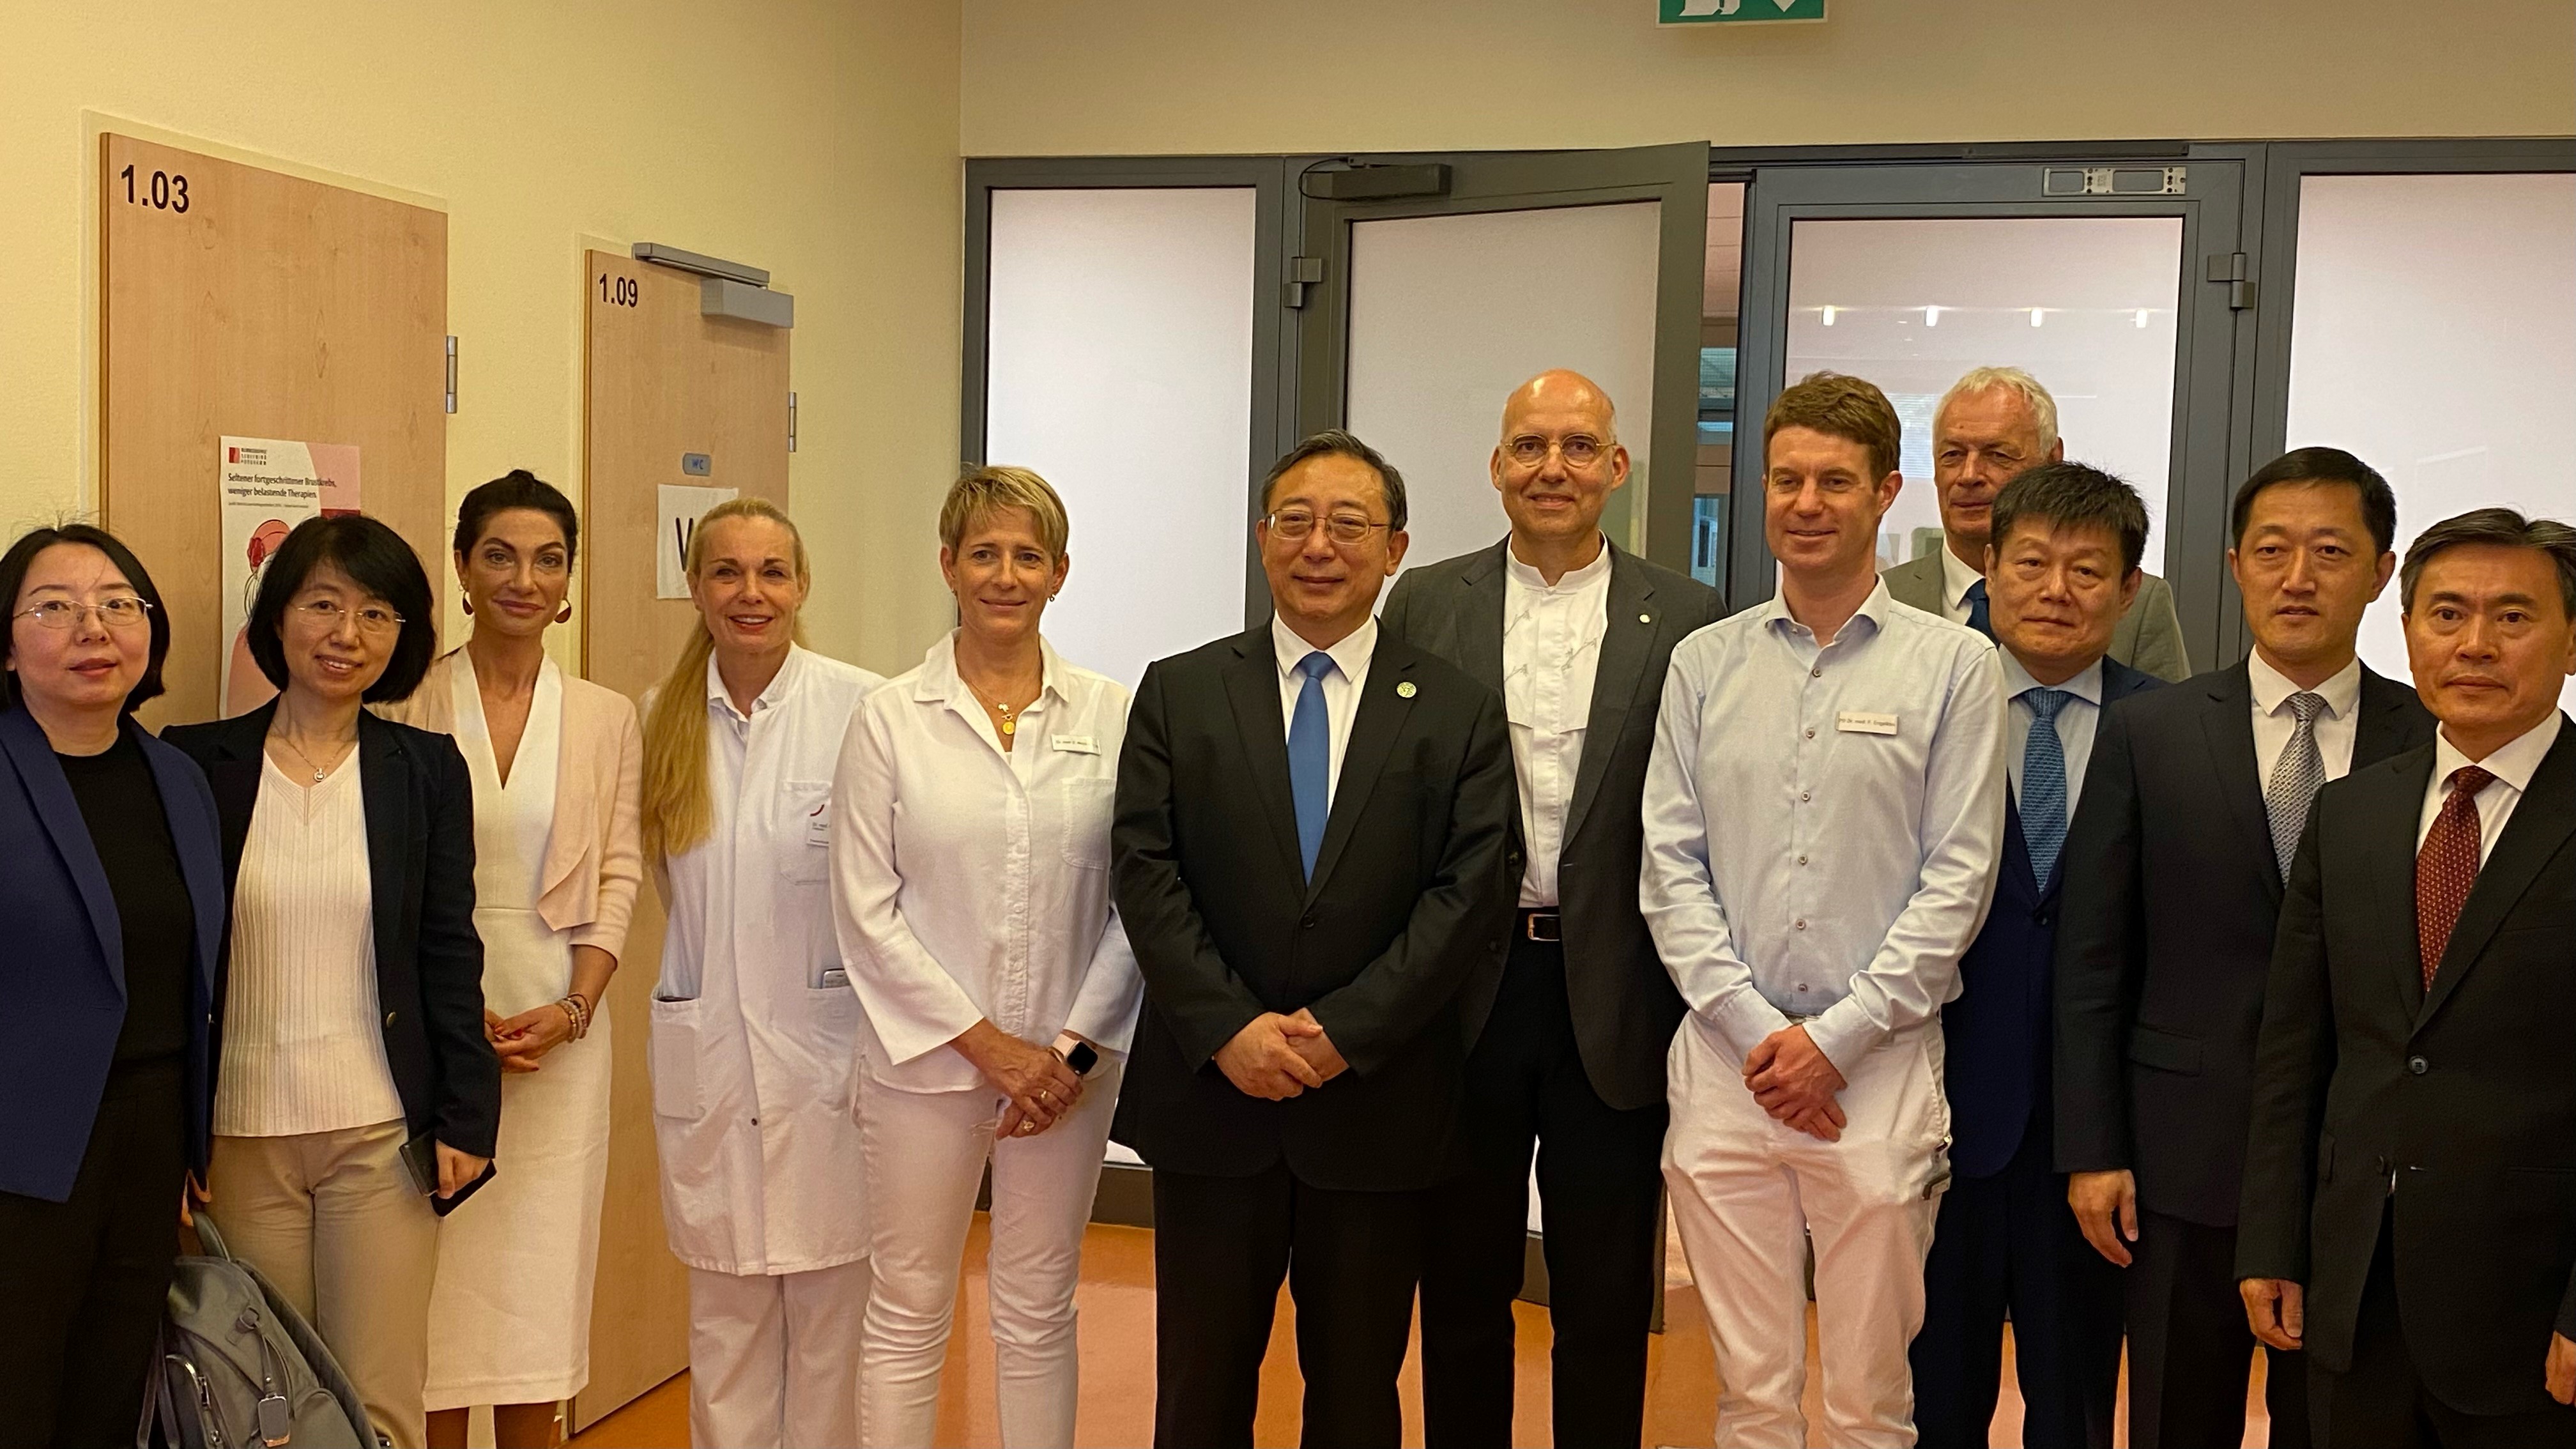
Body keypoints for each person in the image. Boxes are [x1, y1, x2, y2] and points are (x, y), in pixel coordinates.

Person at [1111, 429, 1518, 1448]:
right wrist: (1230, 1027)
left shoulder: (1460, 711)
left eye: (1350, 524)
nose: (1319, 546)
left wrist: (1347, 1031)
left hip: (1376, 1105)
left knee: (1356, 1392)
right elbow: (1146, 874)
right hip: (1215, 1101)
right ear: (1262, 539)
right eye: (1295, 521)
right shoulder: (1180, 689)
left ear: (1397, 550)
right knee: (1201, 1388)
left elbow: (1467, 895)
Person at [1644, 370, 2005, 1448]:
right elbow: (1669, 862)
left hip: (1879, 1067)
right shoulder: (1702, 663)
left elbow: (1959, 878)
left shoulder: (1956, 664)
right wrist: (1763, 1035)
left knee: (1867, 1400)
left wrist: (1833, 1040)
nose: (1806, 501)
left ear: (1887, 491)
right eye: (1787, 478)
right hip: (1726, 1063)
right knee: (1749, 1395)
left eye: (1835, 481)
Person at [2055, 447, 2434, 1449]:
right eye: (2271, 550)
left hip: (2358, 1162)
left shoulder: (2430, 737)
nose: (2297, 577)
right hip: (2180, 1153)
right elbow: (2094, 956)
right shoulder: (2151, 731)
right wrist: (2093, 1147)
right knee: (2179, 1412)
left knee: (2337, 1421)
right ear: (2234, 565)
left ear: (2381, 572)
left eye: (2328, 551)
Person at [1381, 369, 1722, 1449]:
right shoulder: (1427, 601)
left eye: (1578, 448)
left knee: (1605, 1290)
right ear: (1494, 469)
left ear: (1616, 469)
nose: (1552, 468)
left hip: (1613, 989)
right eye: (1528, 446)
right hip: (1463, 987)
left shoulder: (1690, 615)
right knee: (1464, 1281)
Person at [2238, 507, 2576, 1446]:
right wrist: (2271, 1240)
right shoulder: (2350, 815)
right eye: (2447, 614)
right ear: (2408, 630)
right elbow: (2295, 1052)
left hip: (2532, 1307)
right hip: (2352, 1290)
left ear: (2573, 640)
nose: (2474, 643)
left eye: (2513, 618)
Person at [164, 514, 498, 1449]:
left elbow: (447, 947)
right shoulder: (194, 764)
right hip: (237, 1141)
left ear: (403, 639)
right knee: (260, 1405)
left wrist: (468, 1119)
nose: (346, 633)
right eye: (323, 604)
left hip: (379, 1137)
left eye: (377, 612)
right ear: (278, 620)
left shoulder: (424, 771)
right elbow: (168, 962)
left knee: (379, 1405)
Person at [832, 466, 1140, 1448]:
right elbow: (865, 910)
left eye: (1028, 556)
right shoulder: (890, 717)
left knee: (1040, 1306)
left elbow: (1141, 904)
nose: (1005, 575)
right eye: (984, 554)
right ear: (948, 566)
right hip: (924, 1065)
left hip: (1069, 1071)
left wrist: (1067, 1054)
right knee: (910, 1304)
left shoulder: (1112, 713)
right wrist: (990, 1049)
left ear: (1060, 574)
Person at [1906, 464, 2158, 1449]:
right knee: (1934, 1400)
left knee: (2077, 1404)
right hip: (1938, 1119)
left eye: (2088, 570)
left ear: (2130, 589)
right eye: (2033, 564)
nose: (2057, 591)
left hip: (2090, 1144)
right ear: (1989, 568)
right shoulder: (1923, 705)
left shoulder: (2174, 728)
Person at [393, 474, 643, 1449]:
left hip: (562, 1029)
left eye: (547, 560)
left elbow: (619, 875)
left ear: (569, 581)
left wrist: (574, 1008)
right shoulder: (405, 699)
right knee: (440, 1289)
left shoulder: (604, 714)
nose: (522, 579)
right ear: (461, 568)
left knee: (540, 1284)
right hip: (430, 1029)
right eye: (499, 554)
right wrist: (456, 1026)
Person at [638, 496, 884, 1449]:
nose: (751, 594)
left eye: (772, 573)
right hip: (712, 1071)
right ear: (696, 588)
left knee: (834, 1336)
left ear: (801, 585)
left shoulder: (863, 708)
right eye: (727, 573)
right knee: (725, 1330)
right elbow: (669, 891)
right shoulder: (660, 721)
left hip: (834, 1068)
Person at [0, 525, 227, 1447]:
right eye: (55, 607)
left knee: (112, 1388)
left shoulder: (177, 777)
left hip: (148, 1140)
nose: (93, 626)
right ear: (6, 647)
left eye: (118, 604)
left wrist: (188, 1136)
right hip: (18, 1155)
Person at [1880, 366, 2191, 682]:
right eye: (1952, 455)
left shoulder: (2138, 603)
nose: (1969, 475)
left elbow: (2166, 721)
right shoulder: (1884, 596)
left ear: (2052, 459)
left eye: (1998, 455)